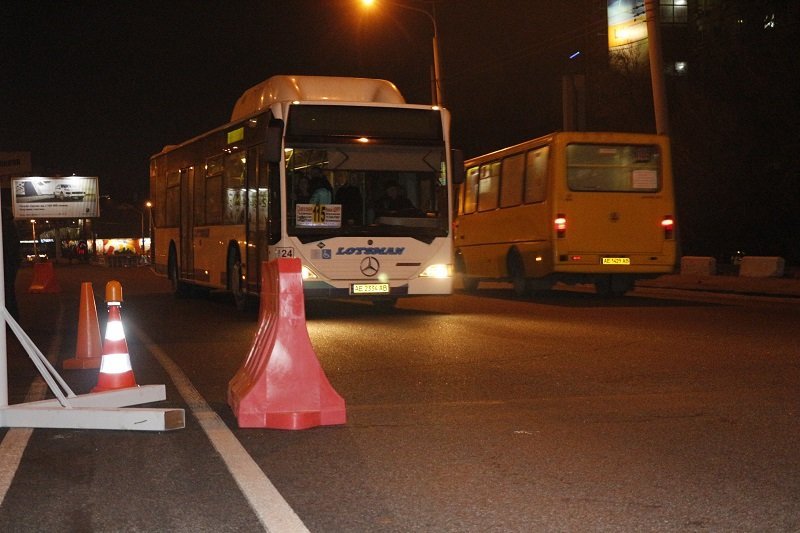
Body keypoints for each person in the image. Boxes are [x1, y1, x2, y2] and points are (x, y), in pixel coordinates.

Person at [2, 202, 21, 320]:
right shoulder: (10, 225)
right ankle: (12, 320)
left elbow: (10, 247)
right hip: (10, 264)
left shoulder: (5, 226)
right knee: (9, 292)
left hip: (7, 264)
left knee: (7, 293)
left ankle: (9, 320)